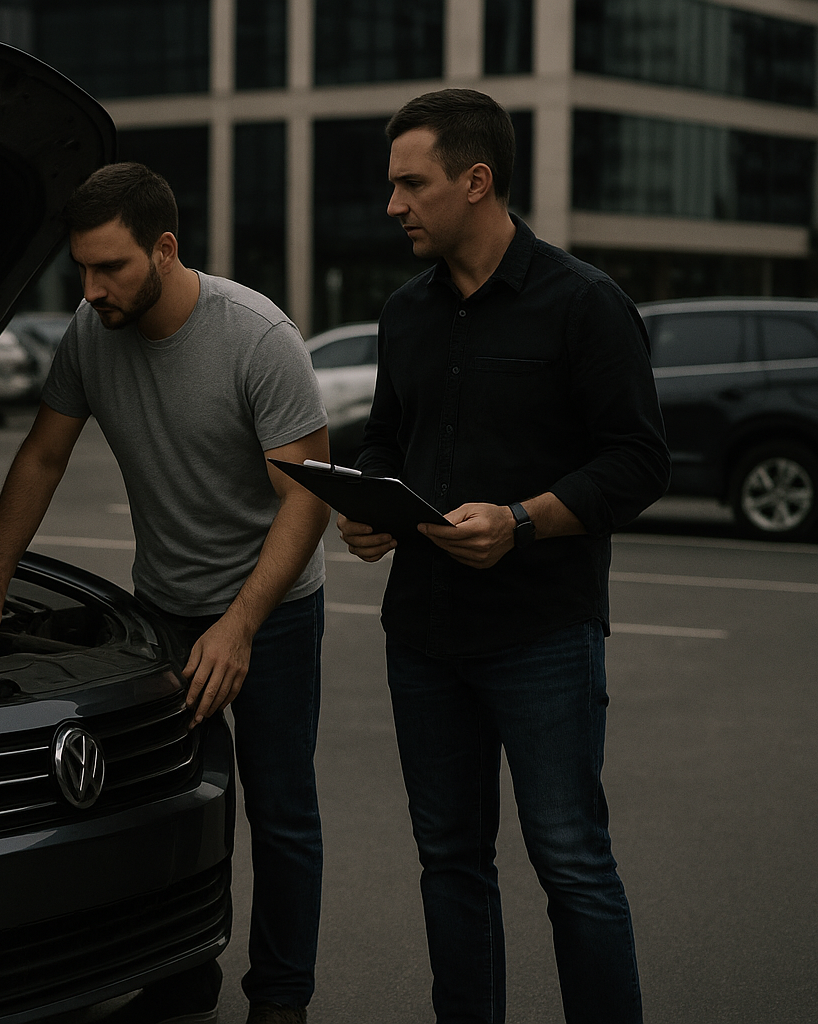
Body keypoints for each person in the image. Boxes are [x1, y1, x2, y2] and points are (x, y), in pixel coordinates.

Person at [0, 162, 333, 1024]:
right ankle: (180, 974)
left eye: (110, 267)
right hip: (164, 604)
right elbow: (43, 453)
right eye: (80, 268)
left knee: (279, 811)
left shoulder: (258, 337)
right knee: (166, 804)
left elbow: (308, 496)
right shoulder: (90, 331)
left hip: (272, 611)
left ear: (165, 248)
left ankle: (282, 1001)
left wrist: (238, 627)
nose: (91, 288)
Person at [339, 89, 670, 1023]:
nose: (394, 203)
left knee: (570, 860)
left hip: (542, 635)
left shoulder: (586, 304)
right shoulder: (405, 313)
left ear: (477, 182)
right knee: (448, 859)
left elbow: (642, 462)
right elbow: (383, 443)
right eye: (393, 183)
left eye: (414, 183)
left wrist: (521, 521)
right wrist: (369, 507)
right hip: (423, 636)